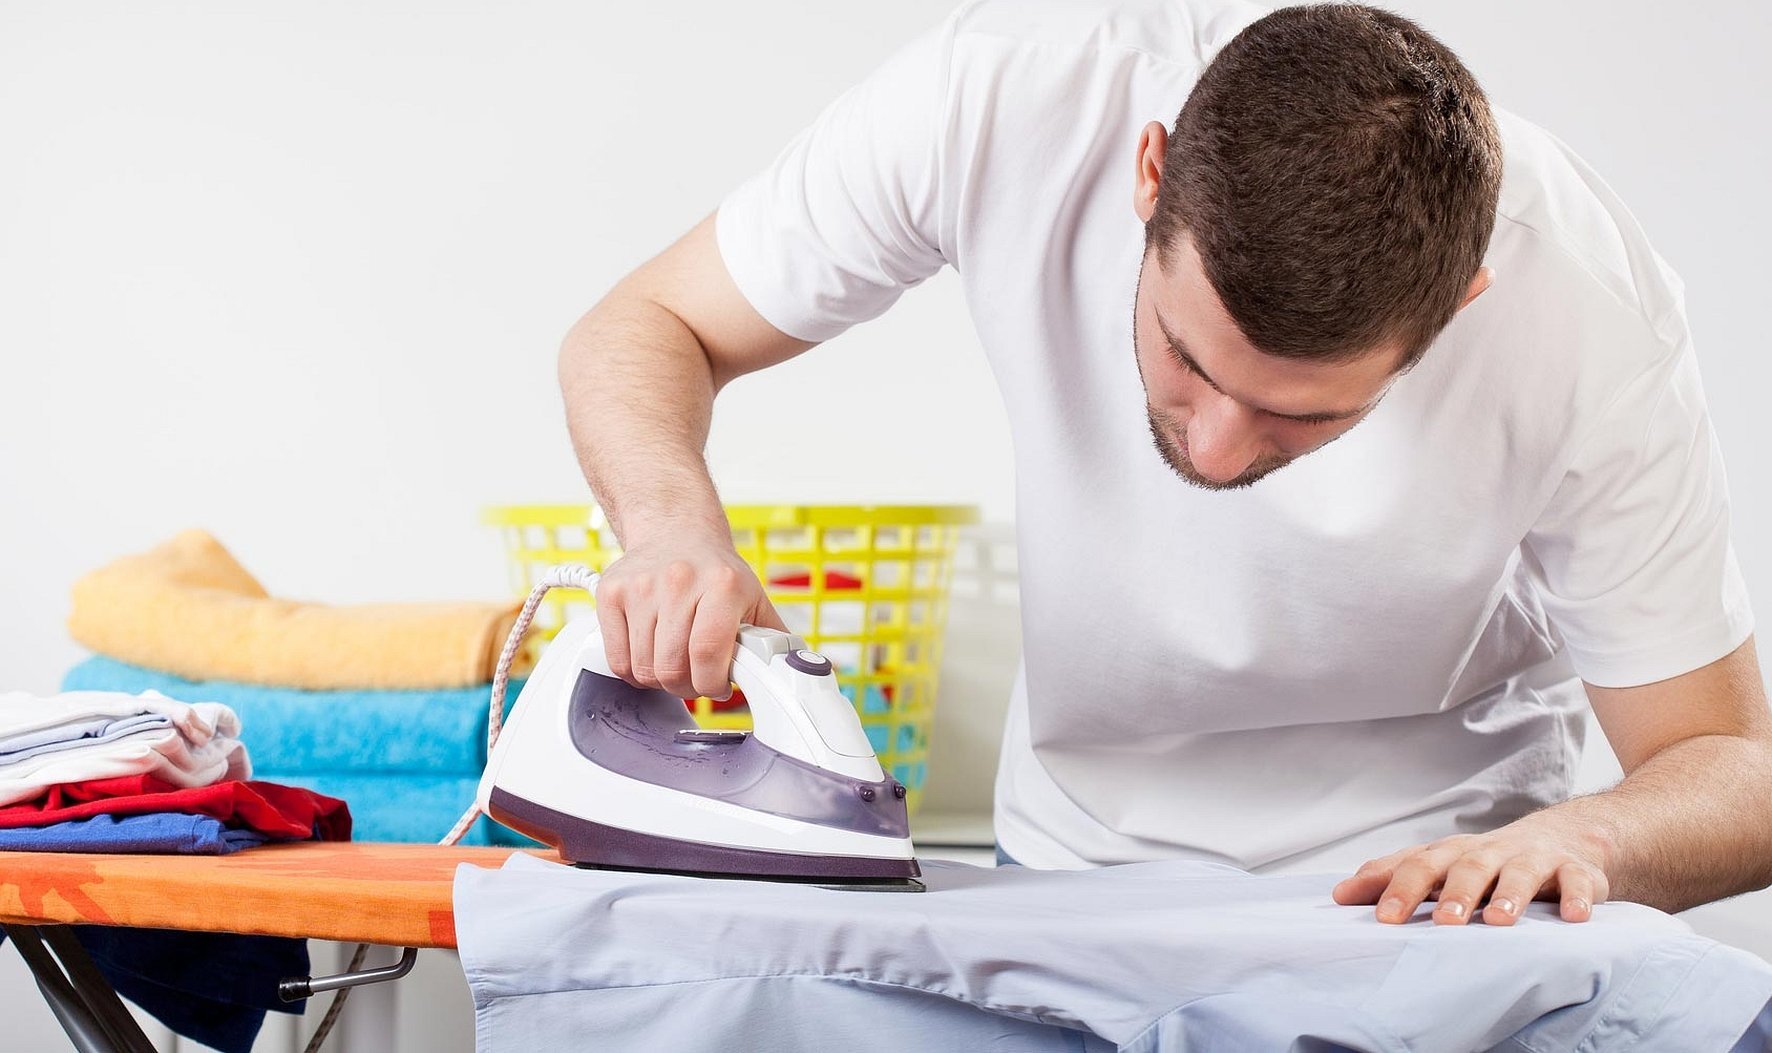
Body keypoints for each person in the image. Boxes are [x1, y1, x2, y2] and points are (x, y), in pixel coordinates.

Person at [556, 0, 1771, 927]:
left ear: (1457, 307)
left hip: (1427, 898)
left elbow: (1728, 768)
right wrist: (670, 529)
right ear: (1147, 178)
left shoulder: (1588, 313)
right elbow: (647, 323)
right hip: (1068, 873)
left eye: (1302, 416)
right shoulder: (1003, 98)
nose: (1215, 447)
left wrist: (1586, 842)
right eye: (1187, 359)